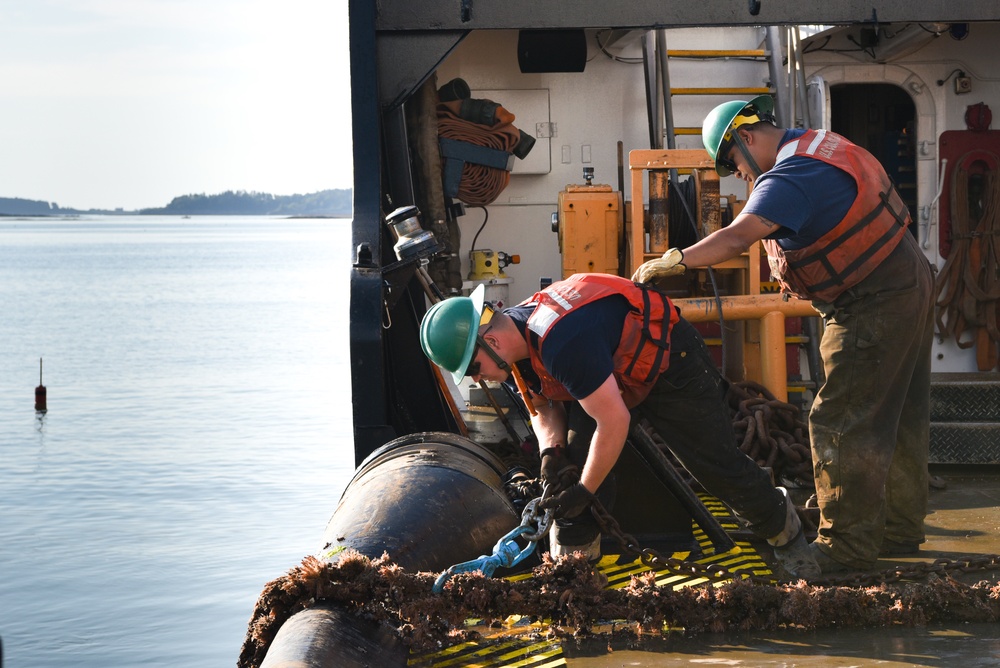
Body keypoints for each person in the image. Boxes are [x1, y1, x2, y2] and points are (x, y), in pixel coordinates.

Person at [633, 95, 934, 574]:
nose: (739, 174)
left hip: (871, 301)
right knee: (896, 414)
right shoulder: (819, 146)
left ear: (747, 138)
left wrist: (677, 260)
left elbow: (737, 236)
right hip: (906, 279)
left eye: (733, 162)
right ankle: (896, 528)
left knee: (841, 419)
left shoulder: (789, 176)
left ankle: (844, 549)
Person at [419, 274, 820, 579]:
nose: (476, 380)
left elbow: (614, 421)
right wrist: (550, 454)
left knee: (717, 468)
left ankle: (786, 536)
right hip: (608, 377)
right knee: (570, 476)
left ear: (491, 341)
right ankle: (575, 576)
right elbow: (541, 407)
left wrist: (584, 489)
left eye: (473, 368)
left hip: (668, 364)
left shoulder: (562, 343)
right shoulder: (509, 355)